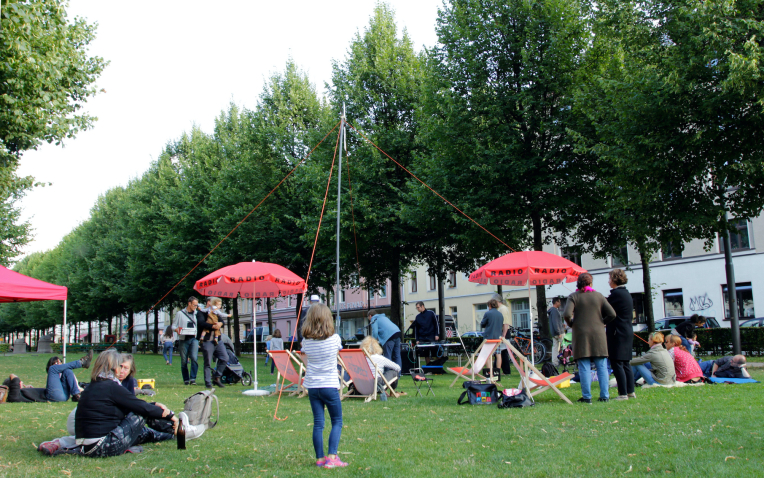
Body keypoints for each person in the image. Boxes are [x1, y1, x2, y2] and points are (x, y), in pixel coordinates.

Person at [38, 350, 178, 457]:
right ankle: (177, 429)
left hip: (86, 446)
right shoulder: (111, 387)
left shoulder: (93, 386)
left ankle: (173, 433)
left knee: (143, 431)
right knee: (139, 415)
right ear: (114, 367)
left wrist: (154, 405)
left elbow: (131, 404)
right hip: (100, 446)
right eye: (119, 365)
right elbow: (141, 408)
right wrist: (169, 415)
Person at [301, 303, 347, 469]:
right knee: (336, 421)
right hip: (329, 384)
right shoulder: (335, 339)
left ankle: (320, 458)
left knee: (318, 423)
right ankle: (332, 457)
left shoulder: (306, 341)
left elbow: (304, 357)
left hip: (313, 386)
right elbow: (337, 354)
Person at [562, 273, 616, 403]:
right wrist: (603, 322)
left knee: (584, 366)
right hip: (598, 334)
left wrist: (572, 324)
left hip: (581, 334)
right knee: (602, 366)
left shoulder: (573, 296)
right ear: (591, 284)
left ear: (578, 284)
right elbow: (612, 314)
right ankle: (604, 396)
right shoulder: (599, 296)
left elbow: (567, 314)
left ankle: (587, 397)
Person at [605, 269, 635, 401]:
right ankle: (630, 391)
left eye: (610, 279)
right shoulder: (626, 293)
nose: (608, 281)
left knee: (617, 362)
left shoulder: (616, 294)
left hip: (618, 332)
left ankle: (622, 394)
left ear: (615, 279)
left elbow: (605, 308)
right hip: (627, 331)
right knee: (626, 363)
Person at [198, 297, 227, 388]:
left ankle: (217, 377)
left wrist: (220, 324)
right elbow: (201, 323)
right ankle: (208, 383)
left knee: (225, 358)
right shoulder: (202, 313)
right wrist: (213, 326)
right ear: (209, 302)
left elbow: (222, 322)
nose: (216, 306)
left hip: (217, 340)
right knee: (208, 362)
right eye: (215, 303)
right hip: (207, 340)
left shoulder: (216, 312)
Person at [360, 336, 401, 400]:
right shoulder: (380, 358)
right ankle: (392, 393)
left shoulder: (361, 358)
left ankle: (384, 390)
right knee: (394, 372)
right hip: (378, 382)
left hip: (363, 382)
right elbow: (398, 368)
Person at [173, 296, 200, 385]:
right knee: (184, 360)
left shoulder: (197, 314)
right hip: (183, 339)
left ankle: (193, 379)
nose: (195, 307)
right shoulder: (180, 313)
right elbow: (173, 326)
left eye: (196, 305)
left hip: (194, 338)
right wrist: (177, 329)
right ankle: (186, 379)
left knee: (194, 358)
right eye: (194, 305)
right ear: (189, 303)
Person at [480, 298, 504, 375]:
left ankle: (489, 372)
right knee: (498, 354)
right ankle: (497, 372)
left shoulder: (488, 313)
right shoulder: (500, 314)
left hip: (489, 337)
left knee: (487, 355)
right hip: (498, 337)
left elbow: (483, 324)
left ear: (490, 305)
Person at [492, 294, 511, 371]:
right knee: (502, 352)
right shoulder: (500, 308)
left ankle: (502, 370)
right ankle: (505, 370)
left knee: (501, 352)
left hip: (503, 332)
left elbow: (505, 323)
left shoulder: (502, 309)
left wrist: (503, 335)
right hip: (503, 332)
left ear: (496, 301)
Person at [548, 297, 565, 367]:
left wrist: (561, 324)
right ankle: (565, 360)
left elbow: (555, 322)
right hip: (558, 332)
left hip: (554, 332)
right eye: (559, 302)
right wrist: (558, 332)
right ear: (556, 302)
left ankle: (555, 362)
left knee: (555, 347)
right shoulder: (554, 311)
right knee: (564, 345)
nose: (560, 303)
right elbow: (555, 322)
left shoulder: (551, 311)